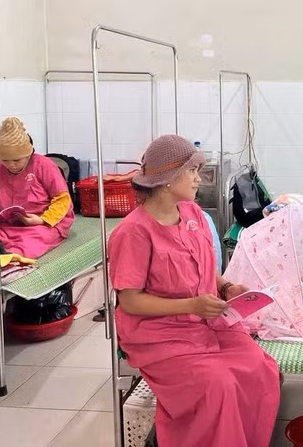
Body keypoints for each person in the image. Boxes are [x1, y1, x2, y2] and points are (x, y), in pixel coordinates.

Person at [108, 134, 280, 447]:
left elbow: (201, 268)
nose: (198, 178)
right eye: (191, 171)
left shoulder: (194, 214)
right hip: (159, 335)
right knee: (218, 387)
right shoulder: (133, 232)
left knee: (261, 370)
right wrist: (191, 305)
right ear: (166, 178)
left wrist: (226, 286)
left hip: (207, 323)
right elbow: (130, 301)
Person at [0, 117, 74, 258]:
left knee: (33, 240)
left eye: (16, 160)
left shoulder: (44, 165)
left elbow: (62, 199)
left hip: (44, 224)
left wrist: (42, 219)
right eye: (5, 160)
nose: (11, 165)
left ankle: (11, 256)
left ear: (28, 154)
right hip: (7, 225)